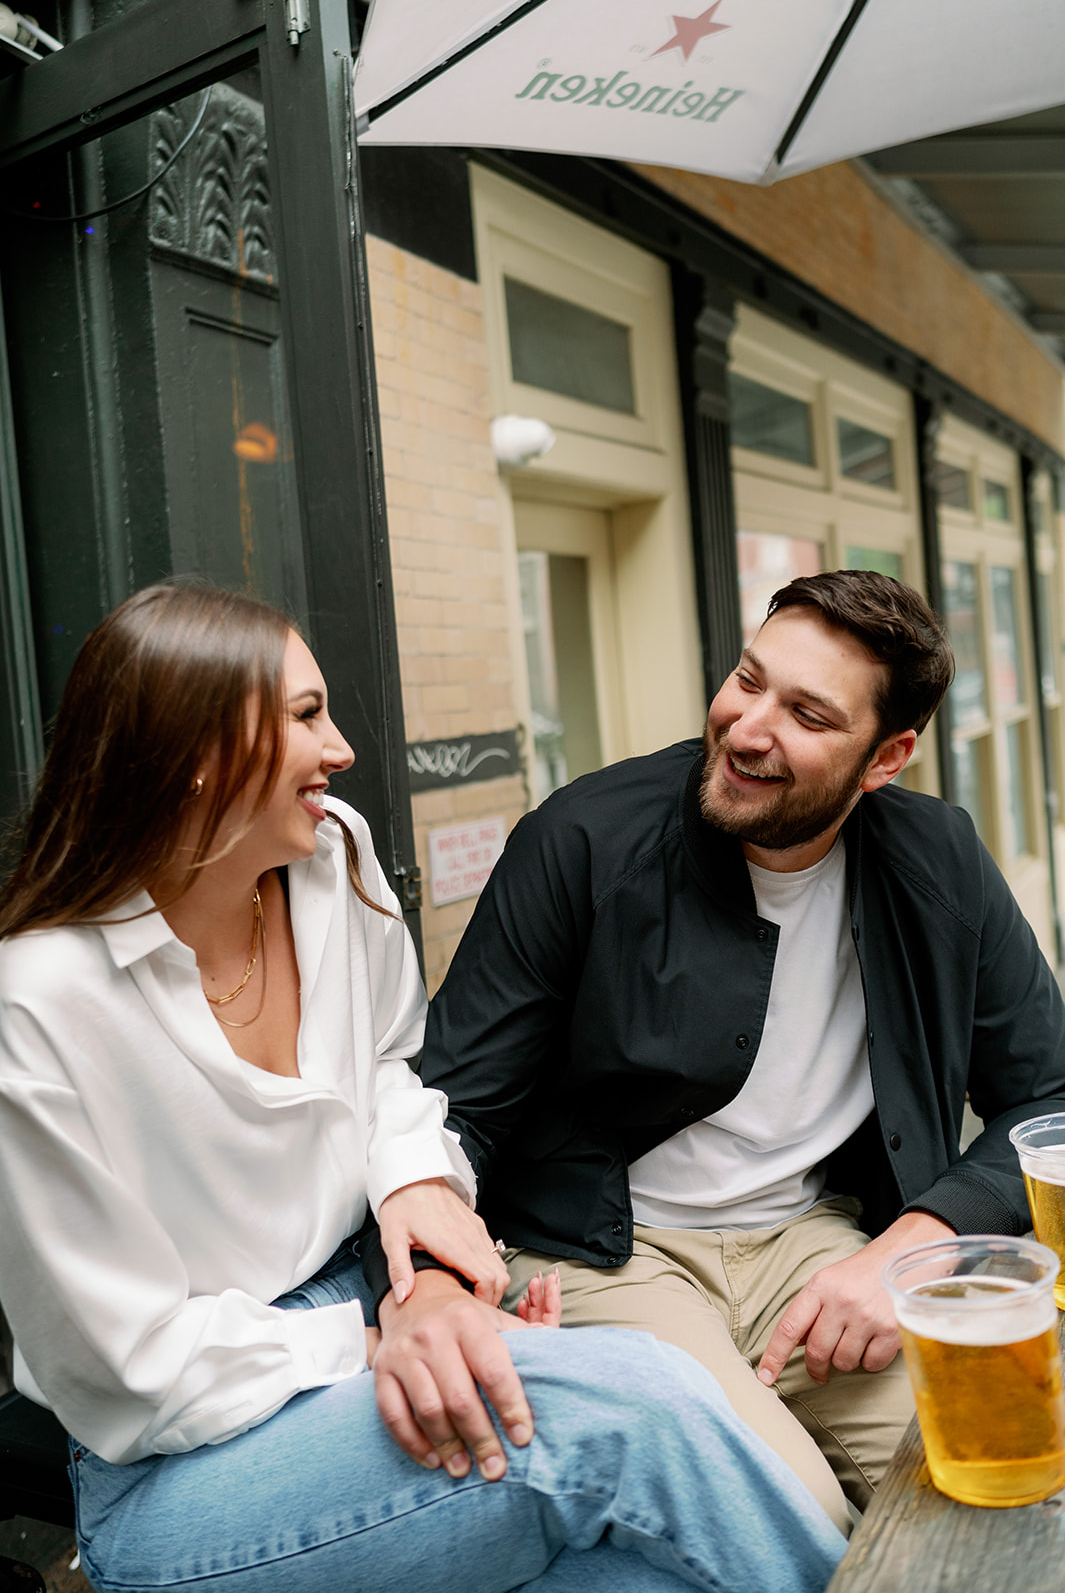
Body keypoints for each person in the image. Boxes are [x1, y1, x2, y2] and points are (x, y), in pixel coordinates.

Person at [0, 581, 845, 1593]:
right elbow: (126, 1371)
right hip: (175, 1468)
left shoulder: (331, 858)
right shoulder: (38, 1005)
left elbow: (396, 1070)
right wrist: (380, 1340)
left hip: (356, 1315)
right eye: (307, 716)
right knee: (632, 1405)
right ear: (196, 756)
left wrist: (418, 1222)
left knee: (642, 1575)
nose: (343, 748)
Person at [421, 568, 1065, 1537]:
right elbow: (455, 1106)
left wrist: (919, 1235)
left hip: (819, 1241)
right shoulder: (581, 839)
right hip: (608, 1253)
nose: (749, 727)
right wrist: (436, 1278)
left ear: (885, 758)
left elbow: (1049, 1092)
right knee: (790, 1515)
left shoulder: (937, 858)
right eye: (748, 679)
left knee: (1008, 1478)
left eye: (807, 713)